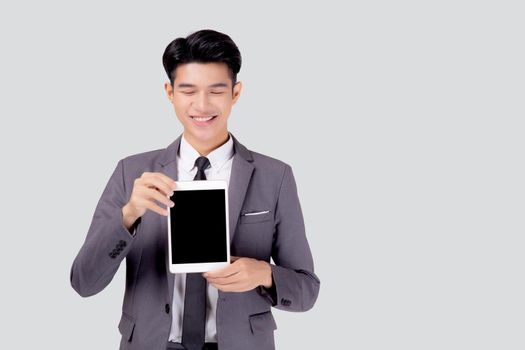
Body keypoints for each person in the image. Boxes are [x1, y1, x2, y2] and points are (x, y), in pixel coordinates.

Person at [70, 29, 320, 350]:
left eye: (216, 91)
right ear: (170, 93)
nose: (201, 105)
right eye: (188, 90)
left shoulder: (275, 176)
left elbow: (307, 291)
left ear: (236, 93)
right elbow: (83, 283)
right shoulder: (131, 172)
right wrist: (129, 215)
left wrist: (263, 274)